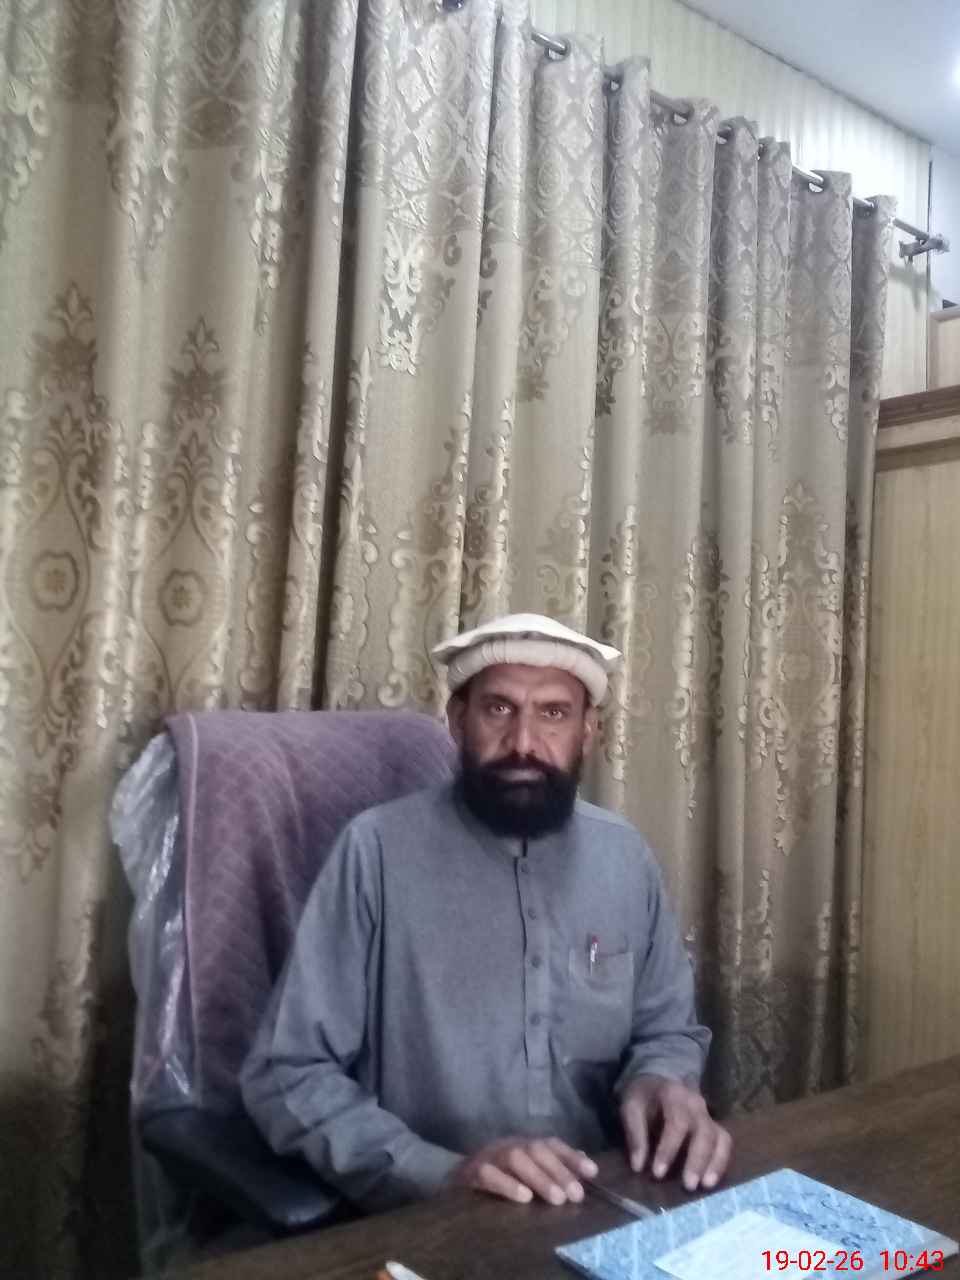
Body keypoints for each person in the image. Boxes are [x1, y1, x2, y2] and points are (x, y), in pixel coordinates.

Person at [241, 613, 732, 1213]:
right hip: (435, 1217)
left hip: (606, 1200)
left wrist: (661, 1081)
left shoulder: (624, 857)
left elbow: (666, 1031)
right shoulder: (375, 852)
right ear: (457, 721)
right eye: (499, 709)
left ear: (589, 732)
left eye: (554, 713)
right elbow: (288, 1073)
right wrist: (440, 1172)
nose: (524, 741)